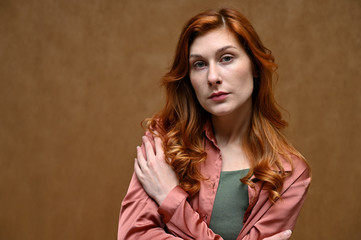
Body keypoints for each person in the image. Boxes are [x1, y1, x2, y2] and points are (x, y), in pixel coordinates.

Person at [118, 8, 311, 240]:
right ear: (189, 78)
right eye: (199, 64)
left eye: (226, 58)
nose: (212, 77)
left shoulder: (289, 173)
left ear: (255, 67)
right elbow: (134, 235)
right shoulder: (163, 141)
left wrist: (171, 197)